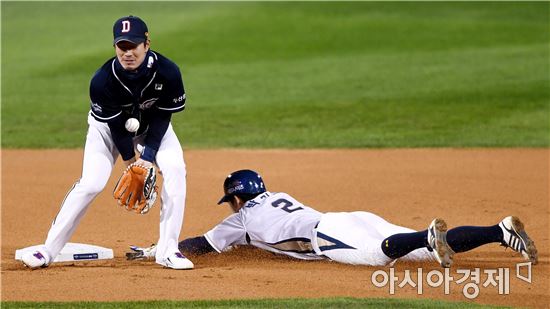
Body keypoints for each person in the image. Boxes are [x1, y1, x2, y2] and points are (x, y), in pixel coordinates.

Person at [22, 16, 193, 270]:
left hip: (152, 128)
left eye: (133, 46)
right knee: (91, 183)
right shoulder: (102, 80)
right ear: (115, 47)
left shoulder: (168, 72)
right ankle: (48, 250)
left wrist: (147, 159)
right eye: (121, 47)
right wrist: (131, 162)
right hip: (107, 130)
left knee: (176, 168)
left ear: (147, 44)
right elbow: (116, 127)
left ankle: (168, 250)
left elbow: (162, 116)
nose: (127, 53)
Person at [126, 169, 538, 268]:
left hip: (329, 235)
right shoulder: (278, 195)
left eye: (230, 200)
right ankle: (498, 230)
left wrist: (160, 249)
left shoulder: (242, 221)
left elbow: (199, 245)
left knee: (381, 256)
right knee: (418, 251)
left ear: (237, 198)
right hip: (350, 217)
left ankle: (429, 237)